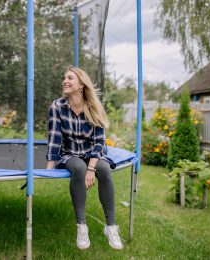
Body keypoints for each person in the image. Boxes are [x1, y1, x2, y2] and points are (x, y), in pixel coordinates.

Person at [46, 66, 123, 250]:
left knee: (103, 169)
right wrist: (48, 168)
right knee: (78, 168)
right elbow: (54, 137)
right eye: (64, 77)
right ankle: (82, 226)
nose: (65, 81)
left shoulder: (94, 106)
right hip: (70, 154)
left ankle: (111, 227)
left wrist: (92, 168)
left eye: (70, 78)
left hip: (93, 153)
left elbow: (99, 142)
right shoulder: (57, 107)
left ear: (81, 85)